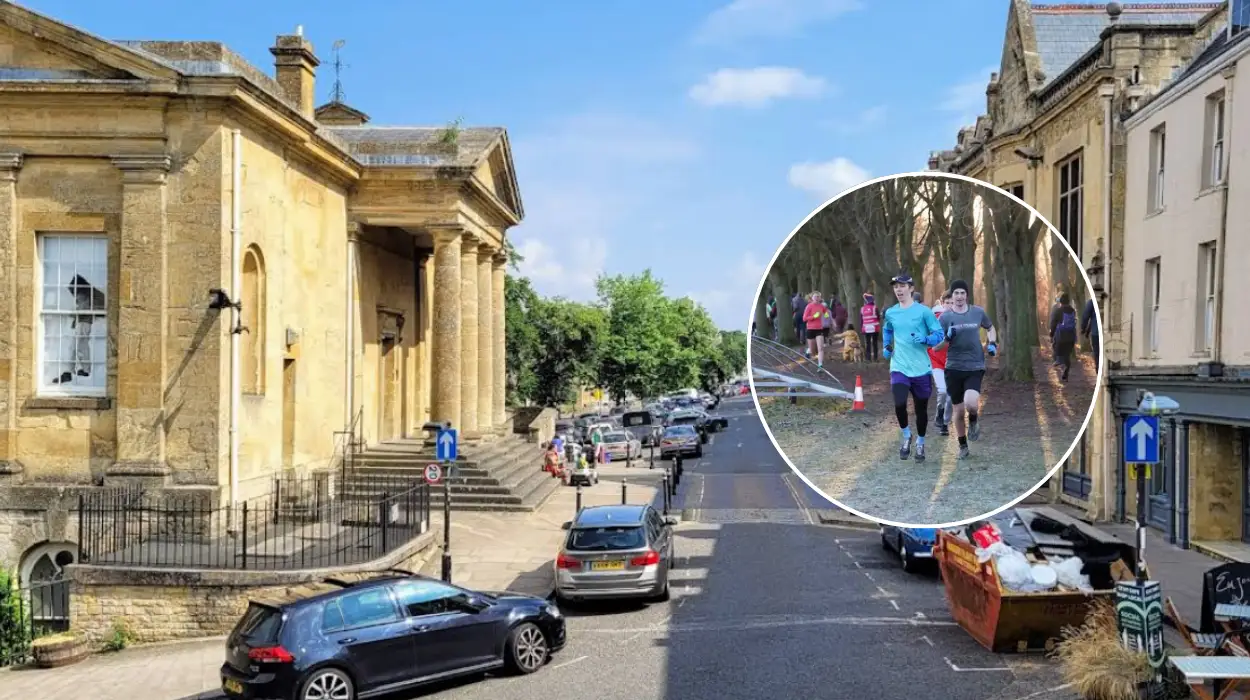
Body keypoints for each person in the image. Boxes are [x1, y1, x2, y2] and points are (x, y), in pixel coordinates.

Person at [882, 274, 944, 462]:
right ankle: (907, 436)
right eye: (896, 287)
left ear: (911, 288)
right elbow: (887, 329)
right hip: (899, 366)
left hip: (921, 368)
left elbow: (939, 334)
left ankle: (921, 442)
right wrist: (886, 346)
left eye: (902, 286)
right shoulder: (891, 312)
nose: (899, 290)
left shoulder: (924, 312)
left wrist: (926, 339)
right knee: (899, 403)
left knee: (921, 410)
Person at [939, 279, 998, 460]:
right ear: (952, 295)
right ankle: (963, 445)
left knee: (971, 403)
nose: (959, 296)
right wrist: (947, 338)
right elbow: (936, 346)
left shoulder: (977, 312)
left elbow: (990, 327)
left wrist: (992, 342)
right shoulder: (945, 318)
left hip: (974, 366)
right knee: (957, 411)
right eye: (956, 293)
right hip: (953, 368)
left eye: (962, 293)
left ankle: (973, 419)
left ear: (967, 295)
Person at [930, 292, 952, 436]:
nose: (950, 306)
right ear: (942, 303)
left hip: (953, 362)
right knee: (943, 390)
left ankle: (945, 423)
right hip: (936, 360)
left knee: (951, 396)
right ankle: (939, 411)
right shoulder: (934, 318)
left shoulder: (960, 318)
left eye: (953, 303)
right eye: (948, 303)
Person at [1049, 293, 1078, 381]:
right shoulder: (1073, 310)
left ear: (1061, 301)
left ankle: (1058, 360)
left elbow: (1053, 323)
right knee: (1067, 355)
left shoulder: (1058, 310)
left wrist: (1051, 334)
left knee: (1055, 347)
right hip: (1071, 336)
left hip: (1061, 336)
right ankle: (1066, 370)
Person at [802, 292, 832, 367]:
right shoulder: (809, 306)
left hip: (819, 329)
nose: (817, 298)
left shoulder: (821, 306)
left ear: (820, 298)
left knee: (821, 348)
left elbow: (826, 314)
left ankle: (820, 365)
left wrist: (825, 315)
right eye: (815, 296)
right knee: (813, 351)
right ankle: (808, 352)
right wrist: (814, 316)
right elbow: (804, 319)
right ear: (812, 298)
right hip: (810, 329)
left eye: (818, 296)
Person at [860, 292, 881, 362]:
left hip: (866, 328)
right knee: (875, 343)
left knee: (868, 343)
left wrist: (861, 328)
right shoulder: (875, 308)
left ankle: (868, 358)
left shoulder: (862, 309)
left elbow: (861, 320)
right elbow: (878, 317)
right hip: (874, 328)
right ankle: (875, 358)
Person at [1081, 297, 1100, 369]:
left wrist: (1083, 328)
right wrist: (1087, 331)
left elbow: (1086, 316)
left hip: (1096, 333)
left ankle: (1099, 371)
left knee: (1097, 354)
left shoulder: (1091, 302)